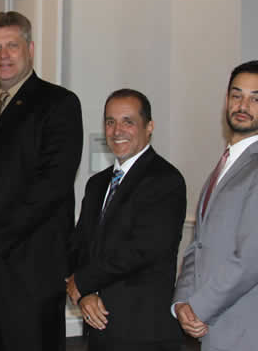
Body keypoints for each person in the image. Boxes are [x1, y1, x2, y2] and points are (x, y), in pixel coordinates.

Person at [0, 11, 83, 351]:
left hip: (29, 273)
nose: (3, 56)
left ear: (30, 48)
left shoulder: (59, 104)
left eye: (12, 46)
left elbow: (52, 185)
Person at [173, 60, 258, 351]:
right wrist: (182, 301)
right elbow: (197, 244)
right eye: (236, 95)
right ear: (226, 100)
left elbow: (250, 259)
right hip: (214, 327)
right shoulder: (224, 166)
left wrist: (199, 307)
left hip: (249, 330)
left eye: (256, 98)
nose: (243, 105)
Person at [66, 89, 185, 351]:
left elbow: (143, 249)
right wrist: (87, 293)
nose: (117, 130)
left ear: (149, 127)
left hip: (144, 332)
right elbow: (79, 243)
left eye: (128, 121)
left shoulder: (165, 180)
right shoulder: (96, 184)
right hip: (99, 327)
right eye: (110, 121)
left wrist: (85, 282)